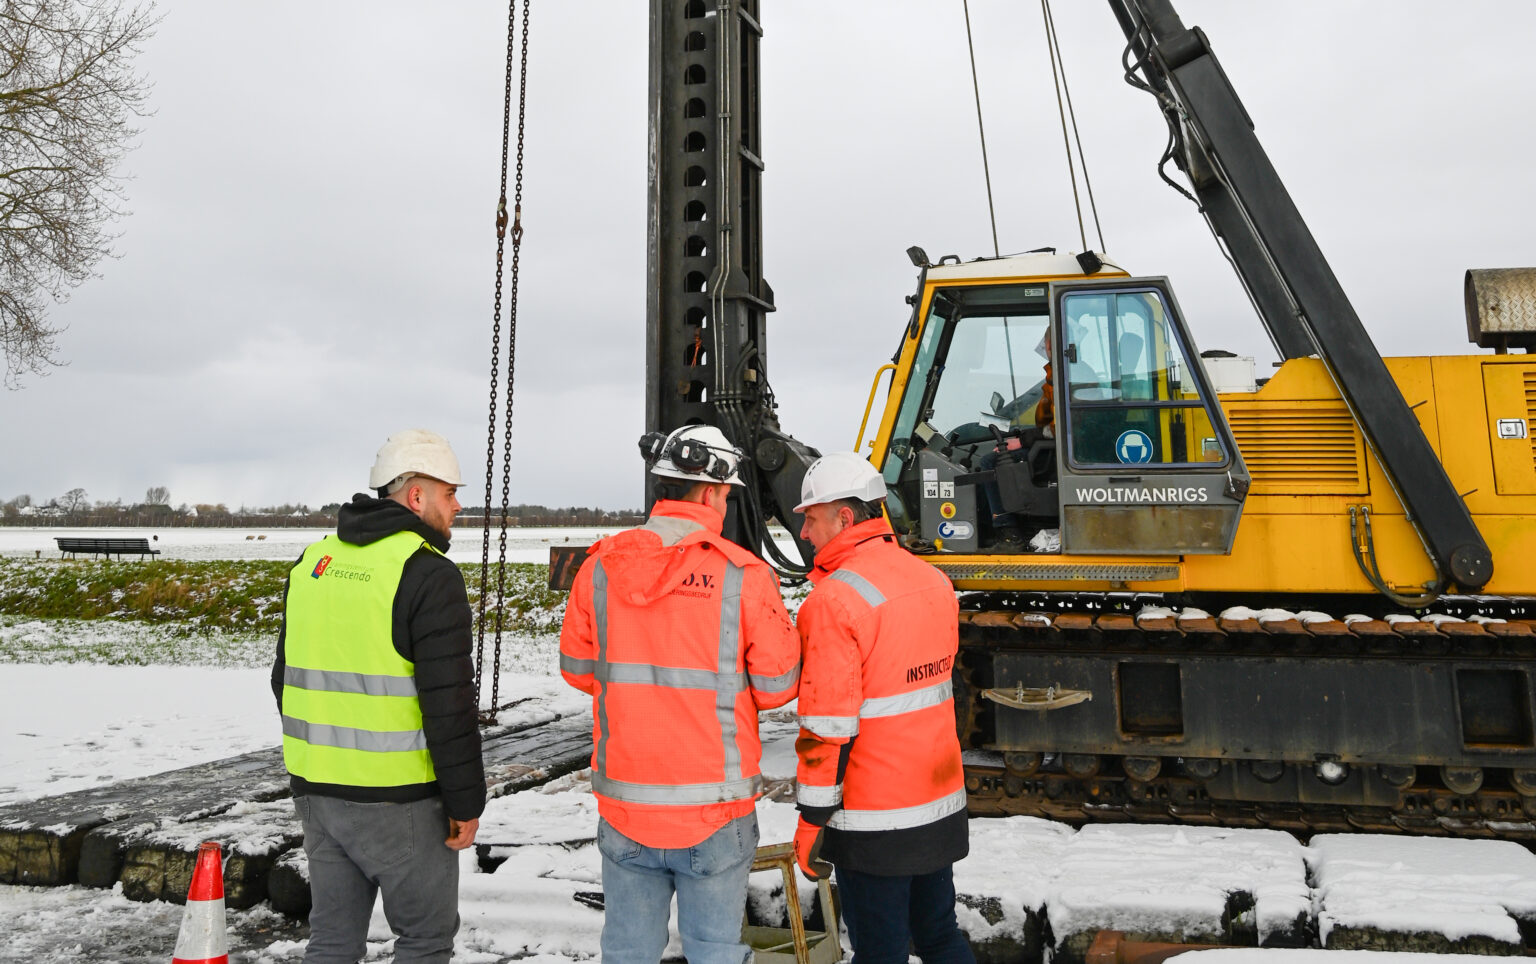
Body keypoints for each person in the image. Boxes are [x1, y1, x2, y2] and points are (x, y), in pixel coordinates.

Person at [559, 424, 801, 964]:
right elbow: (778, 686)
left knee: (627, 952)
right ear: (715, 492)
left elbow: (577, 671)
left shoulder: (599, 566)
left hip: (626, 805)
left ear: (662, 485)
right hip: (714, 810)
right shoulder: (744, 576)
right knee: (715, 952)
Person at [272, 429, 484, 964]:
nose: (458, 506)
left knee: (332, 942)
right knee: (424, 941)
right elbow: (449, 707)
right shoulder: (428, 574)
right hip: (402, 801)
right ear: (417, 496)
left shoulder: (313, 563)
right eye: (450, 493)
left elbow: (283, 678)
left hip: (318, 793)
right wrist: (465, 803)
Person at [791, 452, 974, 964]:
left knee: (879, 952)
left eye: (810, 516)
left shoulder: (834, 601)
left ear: (845, 518)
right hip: (939, 805)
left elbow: (826, 729)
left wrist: (811, 822)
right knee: (939, 936)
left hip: (875, 821)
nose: (804, 531)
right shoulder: (933, 581)